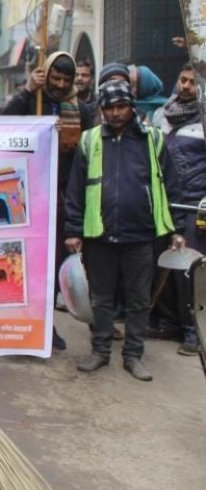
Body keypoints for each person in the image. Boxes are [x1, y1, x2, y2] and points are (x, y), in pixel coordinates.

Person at [65, 79, 184, 382]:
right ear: (102, 110)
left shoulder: (153, 140)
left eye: (121, 107)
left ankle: (133, 355)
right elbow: (76, 190)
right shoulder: (89, 140)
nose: (116, 113)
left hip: (141, 234)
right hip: (99, 234)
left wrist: (176, 229)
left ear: (131, 107)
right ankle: (100, 351)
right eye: (109, 108)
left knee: (139, 299)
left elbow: (171, 186)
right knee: (101, 298)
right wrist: (74, 229)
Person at [0, 51, 96, 351]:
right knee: (20, 264)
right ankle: (16, 325)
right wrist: (28, 90)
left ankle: (44, 326)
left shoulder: (80, 109)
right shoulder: (32, 100)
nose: (60, 83)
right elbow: (3, 124)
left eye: (66, 80)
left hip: (60, 199)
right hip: (26, 193)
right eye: (55, 78)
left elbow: (88, 150)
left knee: (50, 265)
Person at [150, 63, 206, 355]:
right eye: (182, 80)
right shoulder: (163, 115)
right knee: (163, 267)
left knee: (189, 271)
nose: (185, 86)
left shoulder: (204, 119)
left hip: (193, 207)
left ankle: (193, 332)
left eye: (192, 83)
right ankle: (169, 323)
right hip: (164, 204)